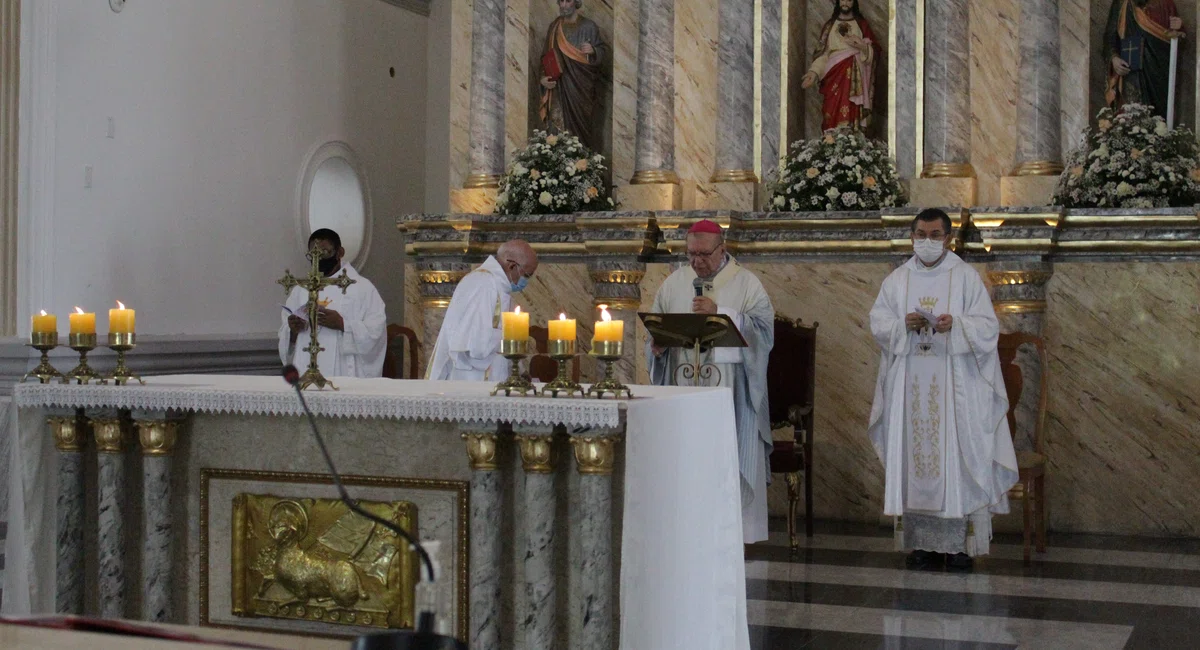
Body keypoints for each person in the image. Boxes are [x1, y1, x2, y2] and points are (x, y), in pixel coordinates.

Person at [867, 208, 1018, 571]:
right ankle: (921, 545)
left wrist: (958, 325)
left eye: (935, 235)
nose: (927, 241)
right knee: (914, 461)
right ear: (911, 236)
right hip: (910, 382)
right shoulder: (898, 280)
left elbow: (987, 327)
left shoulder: (965, 278)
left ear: (948, 239)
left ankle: (958, 545)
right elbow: (878, 321)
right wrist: (902, 324)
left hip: (954, 386)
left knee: (956, 458)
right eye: (921, 234)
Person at [646, 220, 775, 543]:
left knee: (726, 460)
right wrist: (657, 347)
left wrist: (723, 314)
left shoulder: (747, 283)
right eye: (690, 254)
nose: (696, 262)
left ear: (722, 249)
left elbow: (764, 333)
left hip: (732, 394)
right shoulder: (675, 283)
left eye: (703, 254)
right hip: (683, 392)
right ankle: (685, 531)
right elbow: (657, 329)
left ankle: (733, 534)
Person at [278, 229, 388, 378]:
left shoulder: (362, 288)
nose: (319, 258)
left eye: (325, 252)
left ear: (340, 252)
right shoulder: (301, 290)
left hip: (342, 372)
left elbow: (376, 331)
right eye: (314, 254)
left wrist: (343, 324)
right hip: (305, 369)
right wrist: (292, 330)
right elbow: (286, 335)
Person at [427, 240, 539, 381]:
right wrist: (511, 336)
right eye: (527, 275)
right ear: (511, 266)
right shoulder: (483, 284)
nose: (525, 281)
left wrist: (519, 370)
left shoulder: (499, 287)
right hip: (471, 380)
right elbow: (475, 344)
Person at [538, 0, 609, 153]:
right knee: (556, 128)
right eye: (561, 1)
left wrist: (593, 51)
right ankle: (557, 165)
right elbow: (545, 57)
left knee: (582, 129)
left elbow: (603, 54)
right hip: (558, 89)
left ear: (576, 2)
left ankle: (582, 165)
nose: (563, 5)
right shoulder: (554, 27)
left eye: (568, 0)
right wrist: (543, 78)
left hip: (581, 89)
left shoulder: (589, 26)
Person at [801, 0, 880, 131]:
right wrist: (813, 73)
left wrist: (862, 47)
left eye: (848, 0)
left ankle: (853, 141)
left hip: (855, 81)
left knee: (851, 112)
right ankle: (831, 142)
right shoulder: (829, 26)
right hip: (834, 78)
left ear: (854, 3)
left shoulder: (861, 25)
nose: (845, 3)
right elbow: (823, 55)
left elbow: (876, 53)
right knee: (831, 111)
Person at [1105, 0, 1184, 119]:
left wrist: (1179, 28)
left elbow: (1175, 42)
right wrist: (1114, 59)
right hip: (1130, 70)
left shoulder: (1166, 3)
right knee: (1131, 116)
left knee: (1158, 117)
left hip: (1158, 72)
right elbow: (1110, 37)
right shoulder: (1121, 3)